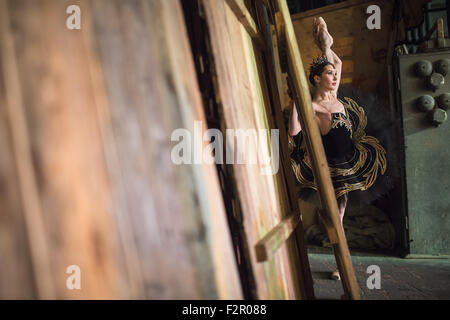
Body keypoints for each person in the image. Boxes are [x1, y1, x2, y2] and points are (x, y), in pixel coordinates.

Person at [288, 17, 397, 281]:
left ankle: (340, 262)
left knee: (336, 218)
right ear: (316, 79)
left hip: (350, 164)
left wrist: (325, 45)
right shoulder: (312, 106)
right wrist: (295, 99)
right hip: (328, 169)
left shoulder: (336, 97)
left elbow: (336, 62)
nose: (335, 76)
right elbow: (293, 131)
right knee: (334, 219)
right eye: (328, 74)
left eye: (336, 74)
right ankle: (341, 265)